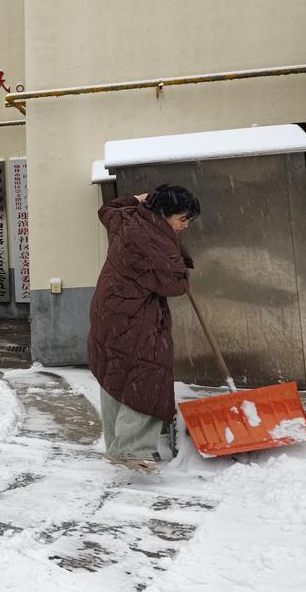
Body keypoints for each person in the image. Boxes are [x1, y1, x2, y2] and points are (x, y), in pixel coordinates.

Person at [88, 185, 199, 473]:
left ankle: (116, 444)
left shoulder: (128, 219)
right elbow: (175, 284)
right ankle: (131, 450)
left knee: (118, 374)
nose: (185, 226)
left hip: (110, 310)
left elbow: (107, 209)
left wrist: (137, 199)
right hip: (134, 316)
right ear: (163, 214)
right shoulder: (153, 240)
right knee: (146, 378)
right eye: (182, 219)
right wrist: (182, 266)